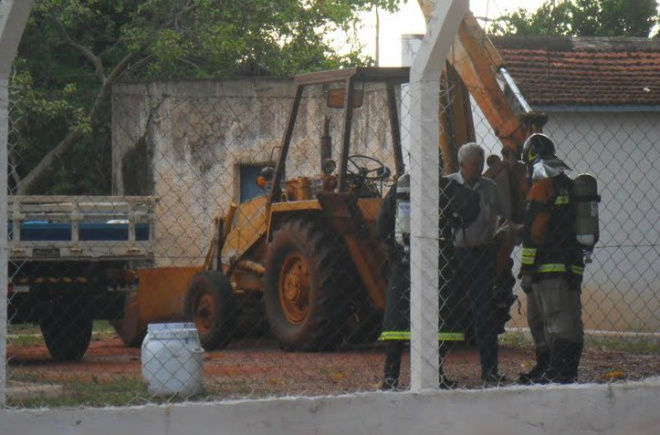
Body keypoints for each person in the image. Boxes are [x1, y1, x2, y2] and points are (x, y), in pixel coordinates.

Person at [377, 174, 479, 390]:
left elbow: (381, 225)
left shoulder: (400, 188)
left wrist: (395, 249)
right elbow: (473, 204)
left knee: (397, 323)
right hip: (437, 264)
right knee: (437, 319)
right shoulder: (446, 187)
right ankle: (436, 375)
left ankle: (390, 377)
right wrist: (453, 221)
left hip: (404, 263)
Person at [517, 133, 585, 384]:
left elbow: (535, 231)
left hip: (547, 267)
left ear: (530, 158)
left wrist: (526, 268)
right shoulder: (566, 182)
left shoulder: (541, 186)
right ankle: (552, 369)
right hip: (569, 264)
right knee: (557, 319)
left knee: (555, 320)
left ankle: (556, 371)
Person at [446, 143, 510, 386]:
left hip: (482, 255)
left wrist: (502, 234)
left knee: (485, 312)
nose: (480, 169)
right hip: (454, 256)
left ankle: (490, 370)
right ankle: (437, 372)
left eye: (481, 164)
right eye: (475, 165)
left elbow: (506, 215)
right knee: (447, 312)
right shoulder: (448, 186)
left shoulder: (490, 188)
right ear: (461, 165)